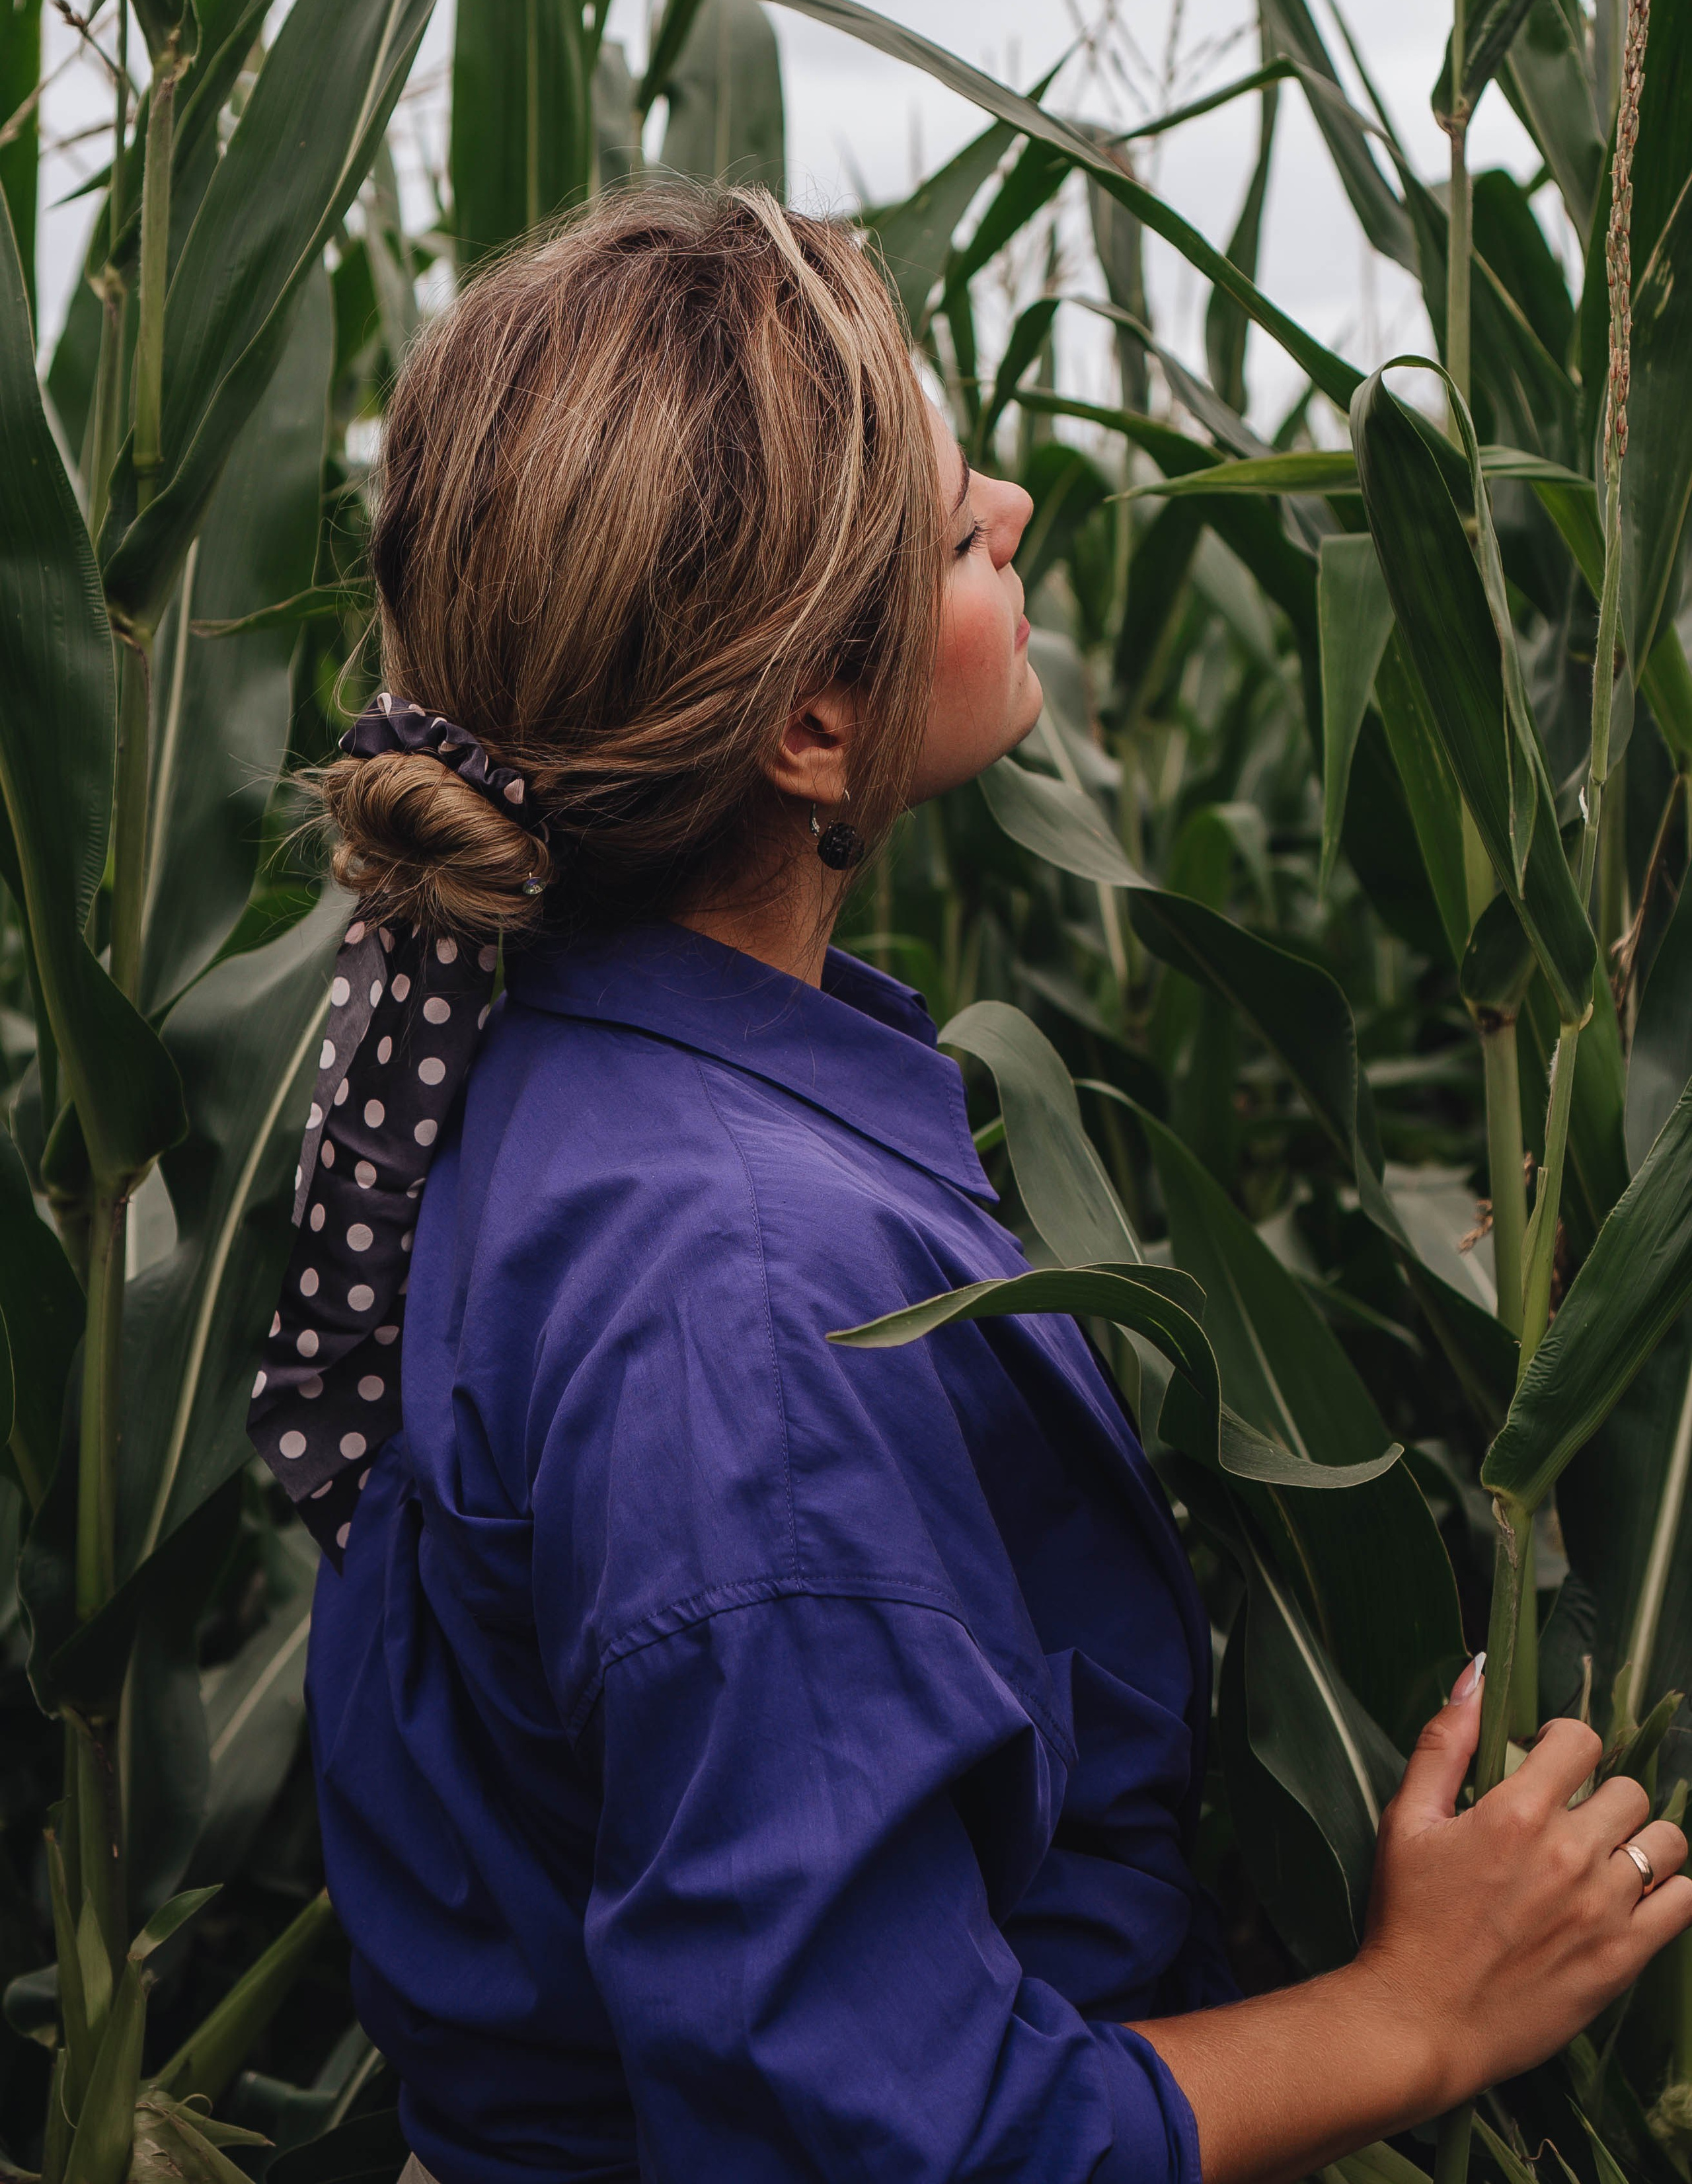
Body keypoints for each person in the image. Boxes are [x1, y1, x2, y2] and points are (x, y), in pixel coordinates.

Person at [254, 186, 1692, 2184]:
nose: (1015, 506)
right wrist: (1413, 2012)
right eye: (948, 534)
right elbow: (882, 2141)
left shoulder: (545, 1072)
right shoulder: (749, 1305)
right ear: (814, 724)